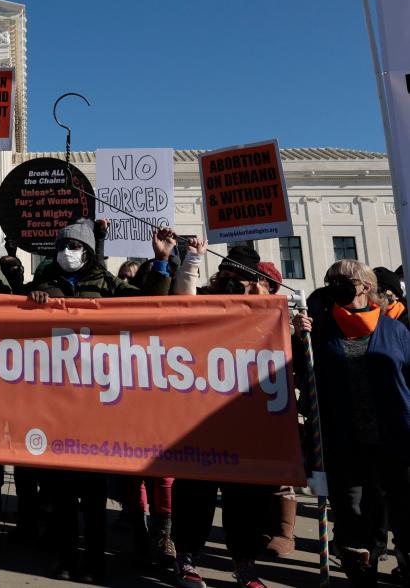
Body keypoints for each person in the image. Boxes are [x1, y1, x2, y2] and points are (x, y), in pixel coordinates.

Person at [27, 219, 174, 584]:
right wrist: (32, 301)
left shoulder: (107, 286)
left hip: (94, 405)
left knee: (93, 497)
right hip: (56, 403)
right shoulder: (46, 284)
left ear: (88, 252)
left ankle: (95, 561)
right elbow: (15, 307)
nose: (66, 253)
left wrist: (160, 263)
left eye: (73, 247)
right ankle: (65, 557)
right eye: (61, 247)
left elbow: (149, 305)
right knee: (61, 495)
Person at [293, 260, 410, 587]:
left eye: (342, 279)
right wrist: (298, 336)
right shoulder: (320, 329)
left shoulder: (396, 330)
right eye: (329, 279)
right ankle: (362, 573)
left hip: (396, 442)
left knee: (404, 514)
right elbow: (301, 371)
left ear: (365, 286)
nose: (334, 284)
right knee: (354, 519)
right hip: (345, 444)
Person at [170, 242, 276, 588]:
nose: (231, 283)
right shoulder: (203, 298)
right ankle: (186, 557)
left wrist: (296, 325)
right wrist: (193, 259)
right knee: (194, 495)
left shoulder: (265, 312)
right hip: (199, 420)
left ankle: (245, 564)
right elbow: (182, 299)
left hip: (245, 421)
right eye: (227, 275)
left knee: (245, 500)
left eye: (240, 279)